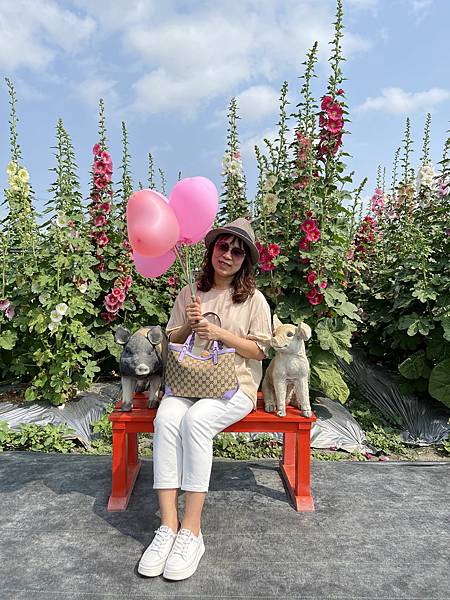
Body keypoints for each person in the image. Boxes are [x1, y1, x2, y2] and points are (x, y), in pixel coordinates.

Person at [137, 217, 272, 581]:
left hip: (235, 386)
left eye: (237, 252)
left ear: (245, 261)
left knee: (196, 422)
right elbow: (171, 340)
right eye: (222, 246)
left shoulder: (254, 300)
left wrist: (218, 332)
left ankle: (191, 531)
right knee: (167, 419)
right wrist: (189, 324)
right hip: (188, 382)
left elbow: (260, 351)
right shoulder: (190, 292)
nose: (227, 255)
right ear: (211, 250)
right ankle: (168, 526)